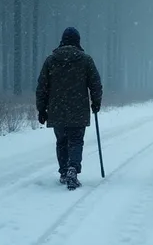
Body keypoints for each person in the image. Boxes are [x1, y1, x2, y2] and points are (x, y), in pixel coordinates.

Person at [36, 27, 103, 190]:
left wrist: (42, 109)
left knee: (61, 141)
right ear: (77, 41)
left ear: (62, 40)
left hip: (56, 109)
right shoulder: (86, 60)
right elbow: (95, 84)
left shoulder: (51, 61)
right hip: (78, 109)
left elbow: (42, 87)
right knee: (76, 141)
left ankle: (64, 172)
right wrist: (96, 102)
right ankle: (73, 168)